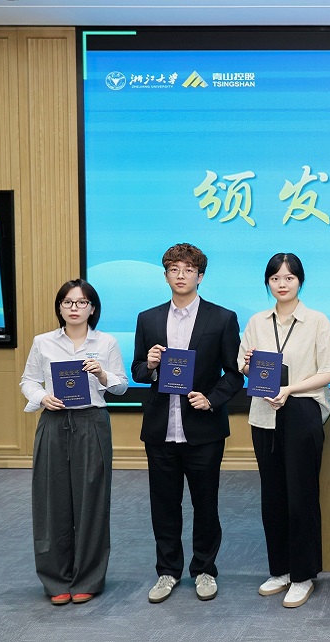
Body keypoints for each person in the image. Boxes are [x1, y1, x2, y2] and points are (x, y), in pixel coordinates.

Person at [131, 243, 243, 604]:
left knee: (205, 503)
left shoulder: (222, 318)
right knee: (163, 505)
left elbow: (234, 374)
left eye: (188, 270)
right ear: (165, 275)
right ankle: (167, 571)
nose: (181, 276)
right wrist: (150, 365)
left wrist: (211, 399)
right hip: (160, 428)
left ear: (200, 276)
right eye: (174, 269)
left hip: (203, 429)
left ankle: (205, 569)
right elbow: (137, 371)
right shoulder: (148, 319)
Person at [238, 253, 330, 608]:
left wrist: (290, 389)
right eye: (275, 278)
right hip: (263, 414)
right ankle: (279, 570)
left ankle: (302, 575)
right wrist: (248, 364)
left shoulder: (317, 321)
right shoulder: (257, 321)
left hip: (301, 410)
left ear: (300, 281)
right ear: (268, 282)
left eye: (289, 278)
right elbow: (244, 366)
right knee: (272, 497)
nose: (282, 284)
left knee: (301, 496)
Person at [20, 279, 128, 605]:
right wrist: (42, 397)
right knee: (50, 499)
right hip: (54, 423)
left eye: (81, 303)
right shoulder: (43, 342)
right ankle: (56, 579)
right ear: (60, 307)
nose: (74, 308)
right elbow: (28, 381)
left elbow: (121, 385)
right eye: (67, 302)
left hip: (92, 423)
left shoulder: (106, 342)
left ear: (92, 308)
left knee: (91, 501)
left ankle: (88, 578)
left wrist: (102, 375)